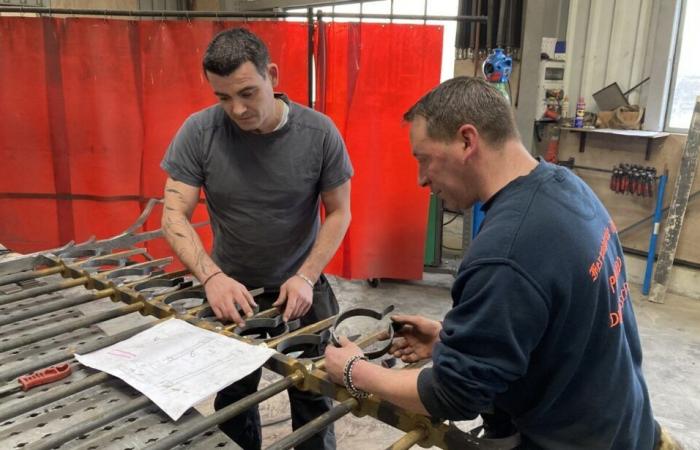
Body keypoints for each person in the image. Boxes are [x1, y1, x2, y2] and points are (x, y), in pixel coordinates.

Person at [324, 76, 674, 449]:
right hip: (627, 427)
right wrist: (449, 340)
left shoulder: (506, 249)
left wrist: (355, 371)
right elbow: (560, 325)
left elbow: (453, 394)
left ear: (466, 140)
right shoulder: (567, 187)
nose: (422, 178)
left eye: (424, 159)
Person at [161, 27, 352, 450]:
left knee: (313, 396)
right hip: (231, 291)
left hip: (301, 289)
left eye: (248, 92)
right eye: (223, 98)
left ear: (273, 74)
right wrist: (211, 278)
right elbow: (173, 212)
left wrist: (306, 275)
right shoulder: (200, 132)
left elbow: (339, 212)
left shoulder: (319, 134)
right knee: (233, 400)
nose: (238, 109)